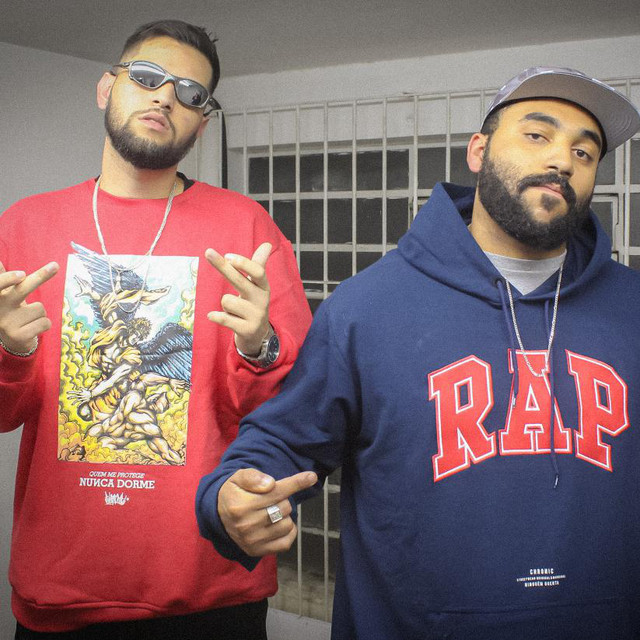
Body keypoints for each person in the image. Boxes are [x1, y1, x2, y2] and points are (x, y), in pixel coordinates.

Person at [197, 67, 640, 639]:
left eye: (585, 152)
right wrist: (231, 500)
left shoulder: (632, 307)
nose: (562, 161)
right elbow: (283, 443)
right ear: (478, 151)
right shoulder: (368, 306)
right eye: (537, 135)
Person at [0, 19, 311, 640]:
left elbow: (290, 415)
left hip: (210, 584)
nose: (166, 97)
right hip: (63, 589)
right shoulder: (24, 226)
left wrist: (260, 347)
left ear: (202, 123)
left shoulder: (245, 228)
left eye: (191, 93)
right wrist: (10, 350)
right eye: (146, 77)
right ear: (106, 88)